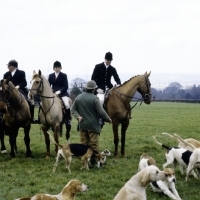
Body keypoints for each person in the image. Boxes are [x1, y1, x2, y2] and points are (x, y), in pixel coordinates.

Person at [71, 80, 112, 156]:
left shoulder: (79, 97)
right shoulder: (95, 99)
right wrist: (108, 119)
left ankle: (85, 161)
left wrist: (78, 116)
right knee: (94, 144)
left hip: (82, 124)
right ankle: (94, 161)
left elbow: (73, 109)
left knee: (83, 144)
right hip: (93, 126)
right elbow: (101, 111)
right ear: (94, 89)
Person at [3, 59, 38, 124]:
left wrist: (18, 86)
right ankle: (2, 118)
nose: (8, 67)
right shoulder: (6, 74)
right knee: (2, 101)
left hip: (20, 90)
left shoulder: (21, 73)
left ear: (13, 66)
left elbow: (24, 83)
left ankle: (31, 118)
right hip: (9, 92)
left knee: (30, 102)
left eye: (9, 66)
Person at [48, 61, 71, 125]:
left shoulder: (64, 75)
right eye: (56, 67)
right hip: (53, 93)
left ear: (60, 68)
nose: (57, 69)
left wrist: (59, 91)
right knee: (43, 103)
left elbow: (66, 86)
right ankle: (40, 118)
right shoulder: (50, 76)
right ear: (54, 68)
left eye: (58, 67)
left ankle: (68, 119)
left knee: (66, 104)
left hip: (62, 93)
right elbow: (48, 85)